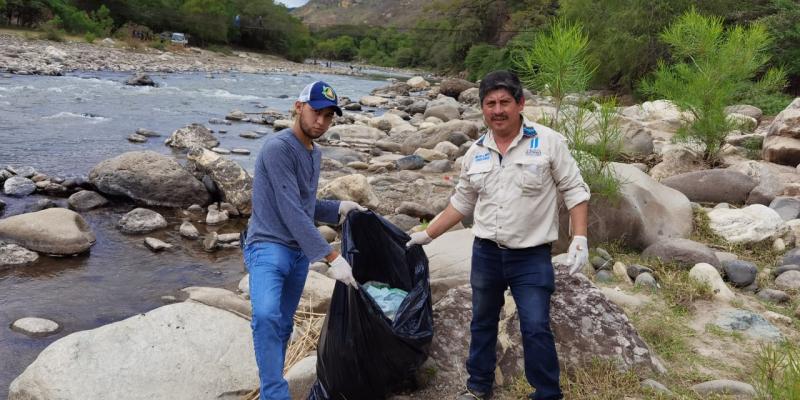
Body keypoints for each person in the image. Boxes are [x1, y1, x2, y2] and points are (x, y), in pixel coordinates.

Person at [406, 70, 590, 400]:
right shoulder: (476, 151)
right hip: (487, 252)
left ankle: (547, 394)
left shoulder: (547, 142)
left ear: (520, 103)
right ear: (482, 109)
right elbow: (461, 203)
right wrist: (427, 235)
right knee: (482, 322)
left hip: (531, 255)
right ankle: (478, 388)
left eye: (505, 101)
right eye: (490, 103)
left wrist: (579, 238)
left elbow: (575, 190)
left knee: (535, 327)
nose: (498, 109)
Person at [244, 81, 366, 400]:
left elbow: (304, 203)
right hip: (268, 247)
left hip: (297, 254)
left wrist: (337, 208)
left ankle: (272, 374)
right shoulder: (278, 148)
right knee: (267, 315)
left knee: (283, 325)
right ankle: (274, 392)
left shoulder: (314, 152)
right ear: (299, 108)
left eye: (328, 116)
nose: (321, 122)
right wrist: (330, 257)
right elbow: (289, 208)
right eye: (316, 113)